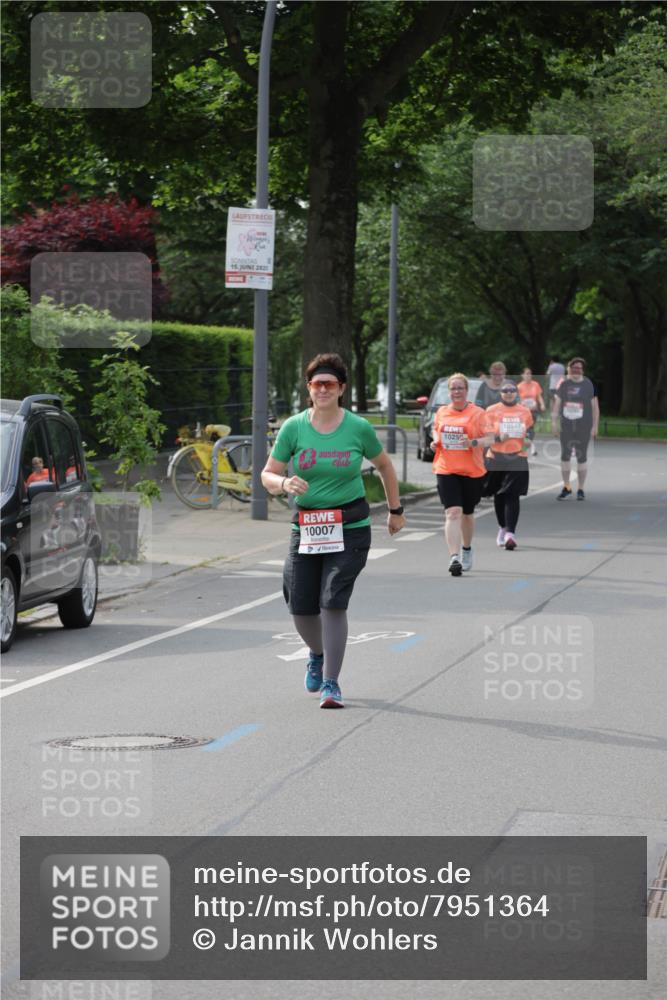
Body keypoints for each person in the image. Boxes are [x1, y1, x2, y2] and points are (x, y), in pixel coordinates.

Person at [261, 353, 406, 709]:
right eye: (316, 384)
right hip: (307, 526)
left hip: (350, 525)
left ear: (341, 389)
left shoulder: (358, 428)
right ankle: (316, 652)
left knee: (333, 601)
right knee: (299, 605)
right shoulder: (294, 427)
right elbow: (267, 474)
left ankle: (331, 683)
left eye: (329, 384)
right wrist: (283, 481)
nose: (322, 389)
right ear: (308, 390)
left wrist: (395, 510)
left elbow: (385, 466)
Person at [431, 373, 494, 575]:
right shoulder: (442, 412)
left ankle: (467, 549)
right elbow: (436, 431)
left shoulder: (478, 413)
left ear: (467, 391)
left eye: (460, 388)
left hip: (472, 470)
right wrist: (434, 441)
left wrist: (473, 442)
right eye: (453, 388)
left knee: (467, 513)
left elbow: (490, 439)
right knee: (453, 512)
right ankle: (454, 557)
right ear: (449, 392)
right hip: (446, 468)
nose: (457, 391)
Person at [484, 382, 533, 550]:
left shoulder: (524, 411)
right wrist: (499, 438)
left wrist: (527, 443)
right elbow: (485, 436)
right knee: (499, 495)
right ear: (500, 393)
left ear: (516, 393)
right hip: (496, 457)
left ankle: (511, 534)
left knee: (512, 495)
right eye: (505, 390)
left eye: (512, 390)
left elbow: (530, 432)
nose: (509, 393)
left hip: (517, 457)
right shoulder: (491, 411)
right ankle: (503, 527)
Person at [552, 357, 599, 500]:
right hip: (566, 426)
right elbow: (557, 404)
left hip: (583, 426)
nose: (576, 371)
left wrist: (595, 426)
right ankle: (567, 487)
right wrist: (554, 423)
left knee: (581, 457)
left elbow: (595, 407)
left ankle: (581, 489)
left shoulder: (588, 384)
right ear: (570, 370)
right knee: (565, 456)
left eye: (578, 368)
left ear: (582, 370)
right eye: (573, 368)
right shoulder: (564, 385)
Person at [517, 367, 545, 456]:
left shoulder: (535, 384)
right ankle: (529, 448)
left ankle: (527, 448)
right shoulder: (519, 386)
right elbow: (517, 400)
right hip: (523, 412)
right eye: (527, 373)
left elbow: (539, 396)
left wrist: (542, 404)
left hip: (533, 411)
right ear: (522, 375)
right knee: (525, 430)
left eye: (530, 373)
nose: (529, 375)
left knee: (530, 430)